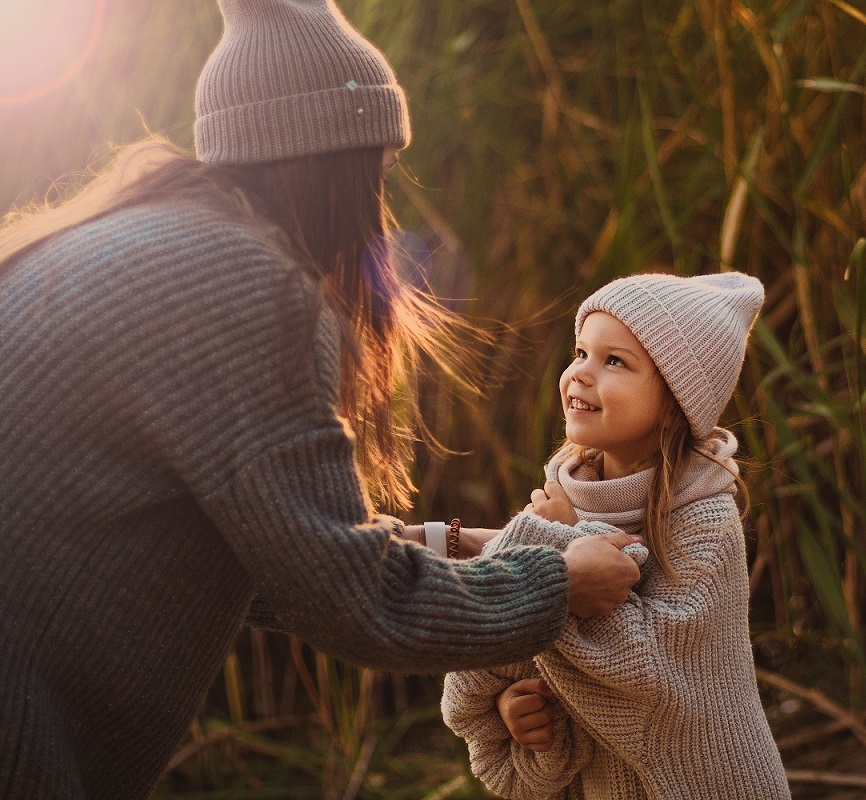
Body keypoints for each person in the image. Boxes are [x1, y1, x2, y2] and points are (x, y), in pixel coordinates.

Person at [0, 1, 641, 797]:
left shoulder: (146, 237)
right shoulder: (246, 288)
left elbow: (273, 555)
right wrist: (559, 586)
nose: (378, 206)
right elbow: (354, 602)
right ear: (334, 165)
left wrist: (460, 544)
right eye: (376, 171)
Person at [441, 272, 792, 799]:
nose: (579, 373)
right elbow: (498, 653)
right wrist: (520, 712)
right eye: (580, 351)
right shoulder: (564, 499)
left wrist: (554, 545)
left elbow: (654, 690)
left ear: (676, 400)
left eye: (614, 361)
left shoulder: (705, 527)